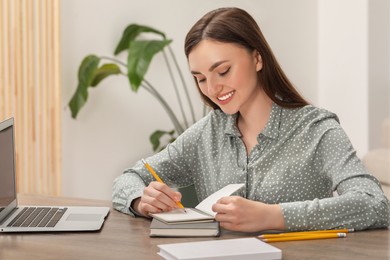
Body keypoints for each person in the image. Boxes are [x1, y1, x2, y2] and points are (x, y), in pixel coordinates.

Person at [112, 7, 390, 232]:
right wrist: (140, 200)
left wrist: (275, 216)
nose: (212, 88)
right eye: (200, 79)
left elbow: (375, 204)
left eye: (223, 71)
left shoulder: (317, 129)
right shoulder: (206, 134)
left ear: (257, 58)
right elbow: (129, 178)